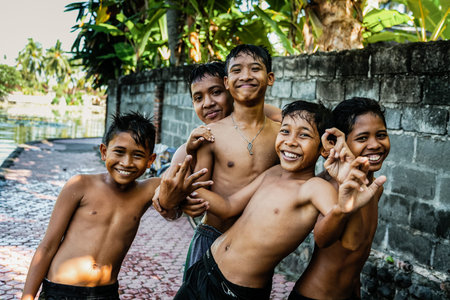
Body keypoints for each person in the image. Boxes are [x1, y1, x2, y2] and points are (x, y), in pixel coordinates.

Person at [166, 100, 387, 300]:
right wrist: (180, 188)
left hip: (236, 290)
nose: (291, 142)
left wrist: (343, 208)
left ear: (323, 148)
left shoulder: (315, 187)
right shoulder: (273, 172)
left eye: (304, 135)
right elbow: (228, 206)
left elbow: (328, 235)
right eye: (285, 132)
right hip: (206, 266)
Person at [21, 112, 208, 300]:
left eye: (138, 155)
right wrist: (27, 297)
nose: (126, 163)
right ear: (104, 151)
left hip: (106, 293)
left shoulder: (149, 189)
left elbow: (172, 205)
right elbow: (47, 247)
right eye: (119, 152)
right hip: (61, 289)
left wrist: (182, 204)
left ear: (150, 160)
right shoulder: (80, 185)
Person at [157, 45, 281, 273]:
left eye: (215, 92)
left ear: (228, 88)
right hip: (212, 236)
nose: (208, 103)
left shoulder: (276, 128)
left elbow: (269, 111)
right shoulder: (193, 147)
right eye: (198, 97)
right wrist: (175, 200)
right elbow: (165, 202)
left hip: (255, 243)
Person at [290, 97, 391, 300]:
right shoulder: (330, 187)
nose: (375, 144)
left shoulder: (374, 189)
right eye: (362, 138)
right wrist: (344, 208)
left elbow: (357, 253)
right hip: (314, 296)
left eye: (381, 135)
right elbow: (322, 238)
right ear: (339, 143)